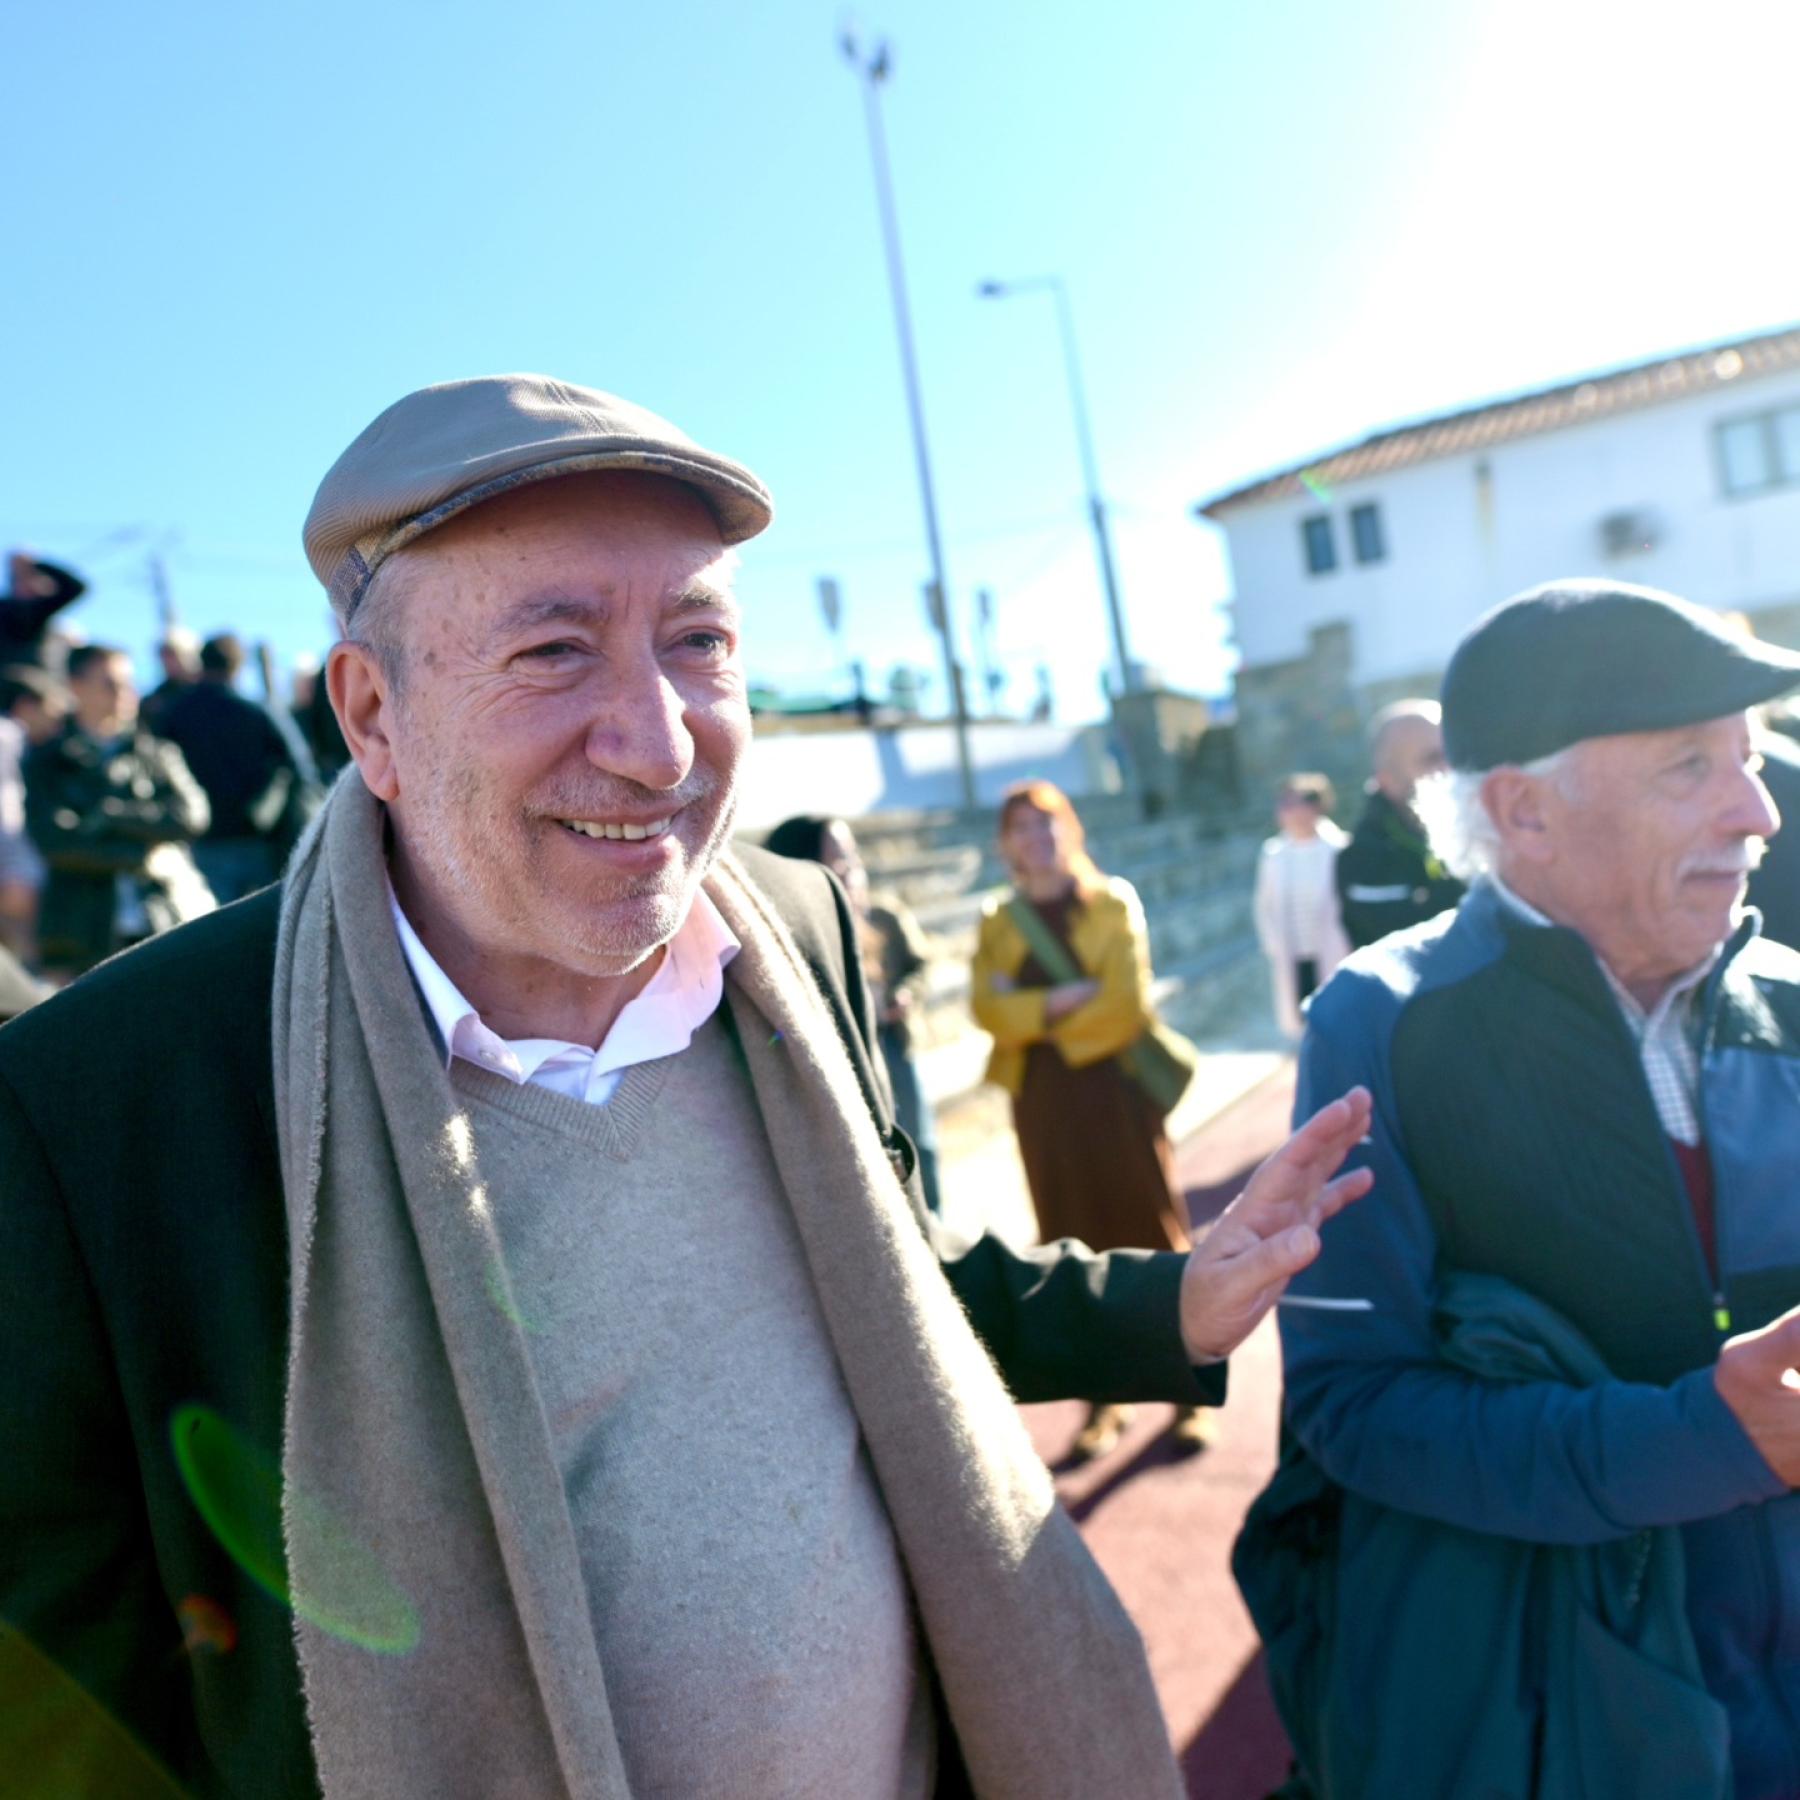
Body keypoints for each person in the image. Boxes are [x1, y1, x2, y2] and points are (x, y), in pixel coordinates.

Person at [0, 374, 1372, 1799]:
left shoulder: (794, 933)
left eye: (698, 641)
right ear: (373, 715)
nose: (658, 744)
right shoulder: (105, 1104)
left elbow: (894, 1277)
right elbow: (66, 1721)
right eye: (553, 652)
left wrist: (1169, 1304)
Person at [1238, 579, 1800, 1800]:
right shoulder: (1382, 1027)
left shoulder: (1794, 1006)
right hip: (1572, 1725)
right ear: (1524, 811)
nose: (1758, 811)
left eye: (1752, 760)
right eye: (1690, 766)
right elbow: (1356, 1406)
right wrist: (1704, 1441)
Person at [971, 779, 1215, 1460]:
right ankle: (1104, 1400)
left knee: (1150, 1231)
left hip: (1116, 1092)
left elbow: (1123, 1007)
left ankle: (1191, 1390)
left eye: (1047, 823)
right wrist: (1059, 1002)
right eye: (1022, 827)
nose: (1037, 838)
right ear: (1006, 842)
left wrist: (1029, 1011)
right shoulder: (997, 920)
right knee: (1069, 1242)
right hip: (1043, 1103)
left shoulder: (1111, 903)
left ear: (1070, 829)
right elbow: (986, 1011)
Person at [764, 811, 944, 1212]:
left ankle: (936, 1231)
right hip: (846, 1071)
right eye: (840, 863)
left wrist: (906, 994)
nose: (855, 873)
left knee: (922, 1149)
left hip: (895, 1051)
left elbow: (920, 966)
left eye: (854, 859)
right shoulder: (793, 946)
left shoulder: (884, 918)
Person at [22, 641, 213, 979]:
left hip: (160, 921)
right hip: (79, 934)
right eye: (111, 684)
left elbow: (191, 816)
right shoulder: (47, 761)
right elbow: (55, 840)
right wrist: (145, 855)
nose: (125, 694)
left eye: (129, 684)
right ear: (76, 687)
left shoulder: (157, 754)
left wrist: (109, 816)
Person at [157, 631, 319, 903]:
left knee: (210, 919)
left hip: (200, 838)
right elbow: (299, 766)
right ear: (238, 666)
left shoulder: (173, 713)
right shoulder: (257, 712)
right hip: (256, 835)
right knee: (263, 921)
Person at [1333, 697, 1465, 948]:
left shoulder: (1491, 826)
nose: (1450, 768)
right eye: (1432, 759)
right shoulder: (1364, 862)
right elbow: (1412, 949)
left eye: (1453, 753)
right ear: (1387, 781)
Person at [1252, 771, 1351, 1039]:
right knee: (1304, 1021)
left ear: (1315, 807)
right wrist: (1273, 943)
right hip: (1294, 953)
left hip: (1334, 949)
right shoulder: (1274, 855)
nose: (1287, 812)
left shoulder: (1339, 849)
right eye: (1283, 804)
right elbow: (1264, 904)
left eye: (1293, 804)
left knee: (1338, 1016)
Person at [0, 664, 69, 962]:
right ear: (27, 706)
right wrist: (18, 868)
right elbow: (7, 810)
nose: (57, 725)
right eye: (53, 712)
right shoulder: (9, 738)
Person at [0, 550, 86, 671]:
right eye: (21, 580)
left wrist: (35, 564)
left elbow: (75, 587)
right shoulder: (6, 608)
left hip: (29, 676)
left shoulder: (38, 611)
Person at [137, 626, 201, 736]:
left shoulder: (205, 692)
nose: (167, 661)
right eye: (164, 655)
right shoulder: (155, 700)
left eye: (172, 654)